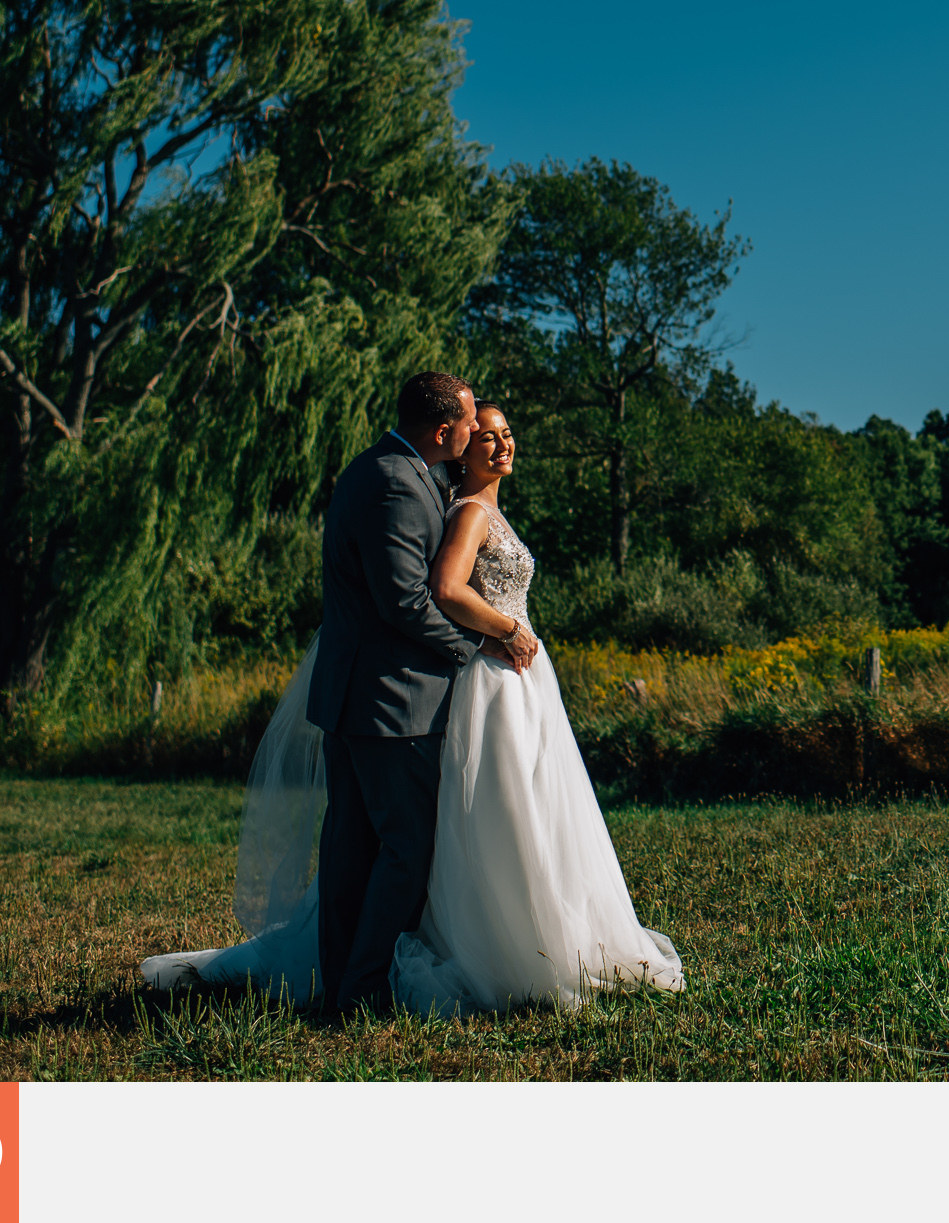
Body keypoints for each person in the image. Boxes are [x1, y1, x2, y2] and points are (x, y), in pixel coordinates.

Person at [142, 376, 681, 1009]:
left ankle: (342, 977)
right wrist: (485, 642)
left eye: (502, 431)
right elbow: (410, 599)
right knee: (403, 848)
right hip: (389, 698)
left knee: (356, 847)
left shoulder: (400, 473)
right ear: (445, 431)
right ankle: (361, 987)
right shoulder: (401, 482)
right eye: (476, 429)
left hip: (374, 694)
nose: (489, 440)